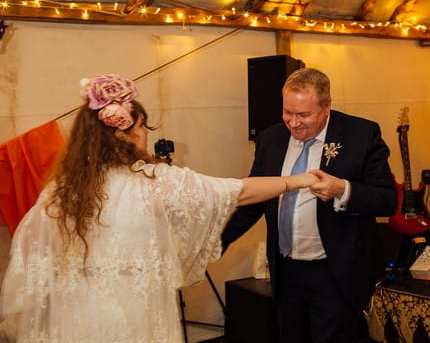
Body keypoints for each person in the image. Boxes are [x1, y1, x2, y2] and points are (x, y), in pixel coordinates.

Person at [0, 74, 317, 342]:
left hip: (73, 313)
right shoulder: (152, 181)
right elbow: (239, 191)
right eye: (141, 129)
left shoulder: (63, 188)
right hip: (135, 312)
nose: (144, 137)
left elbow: (28, 247)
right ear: (125, 133)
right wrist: (298, 180)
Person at [221, 68, 397, 343]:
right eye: (287, 112)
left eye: (304, 115)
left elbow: (387, 199)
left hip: (335, 271)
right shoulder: (270, 139)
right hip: (285, 270)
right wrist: (218, 240)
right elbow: (254, 202)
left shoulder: (360, 134)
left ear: (327, 106)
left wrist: (343, 189)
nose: (293, 123)